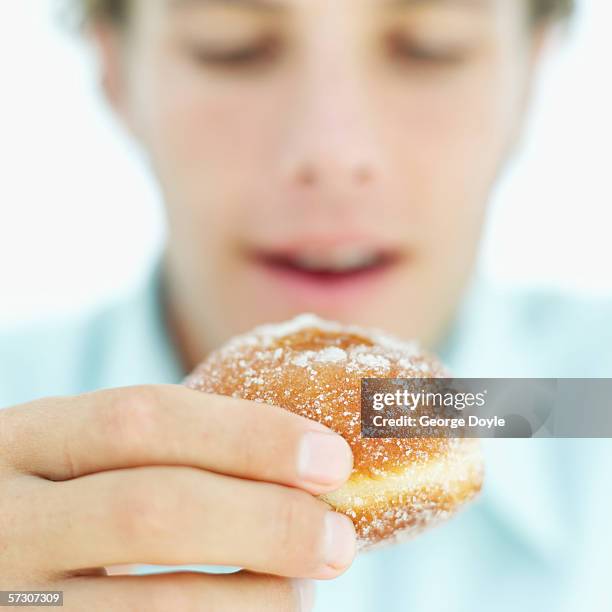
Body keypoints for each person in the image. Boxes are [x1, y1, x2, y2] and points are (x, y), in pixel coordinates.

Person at [1, 0, 610, 610]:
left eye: (431, 47)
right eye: (231, 47)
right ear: (115, 71)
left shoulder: (590, 403)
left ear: (532, 72)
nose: (333, 155)